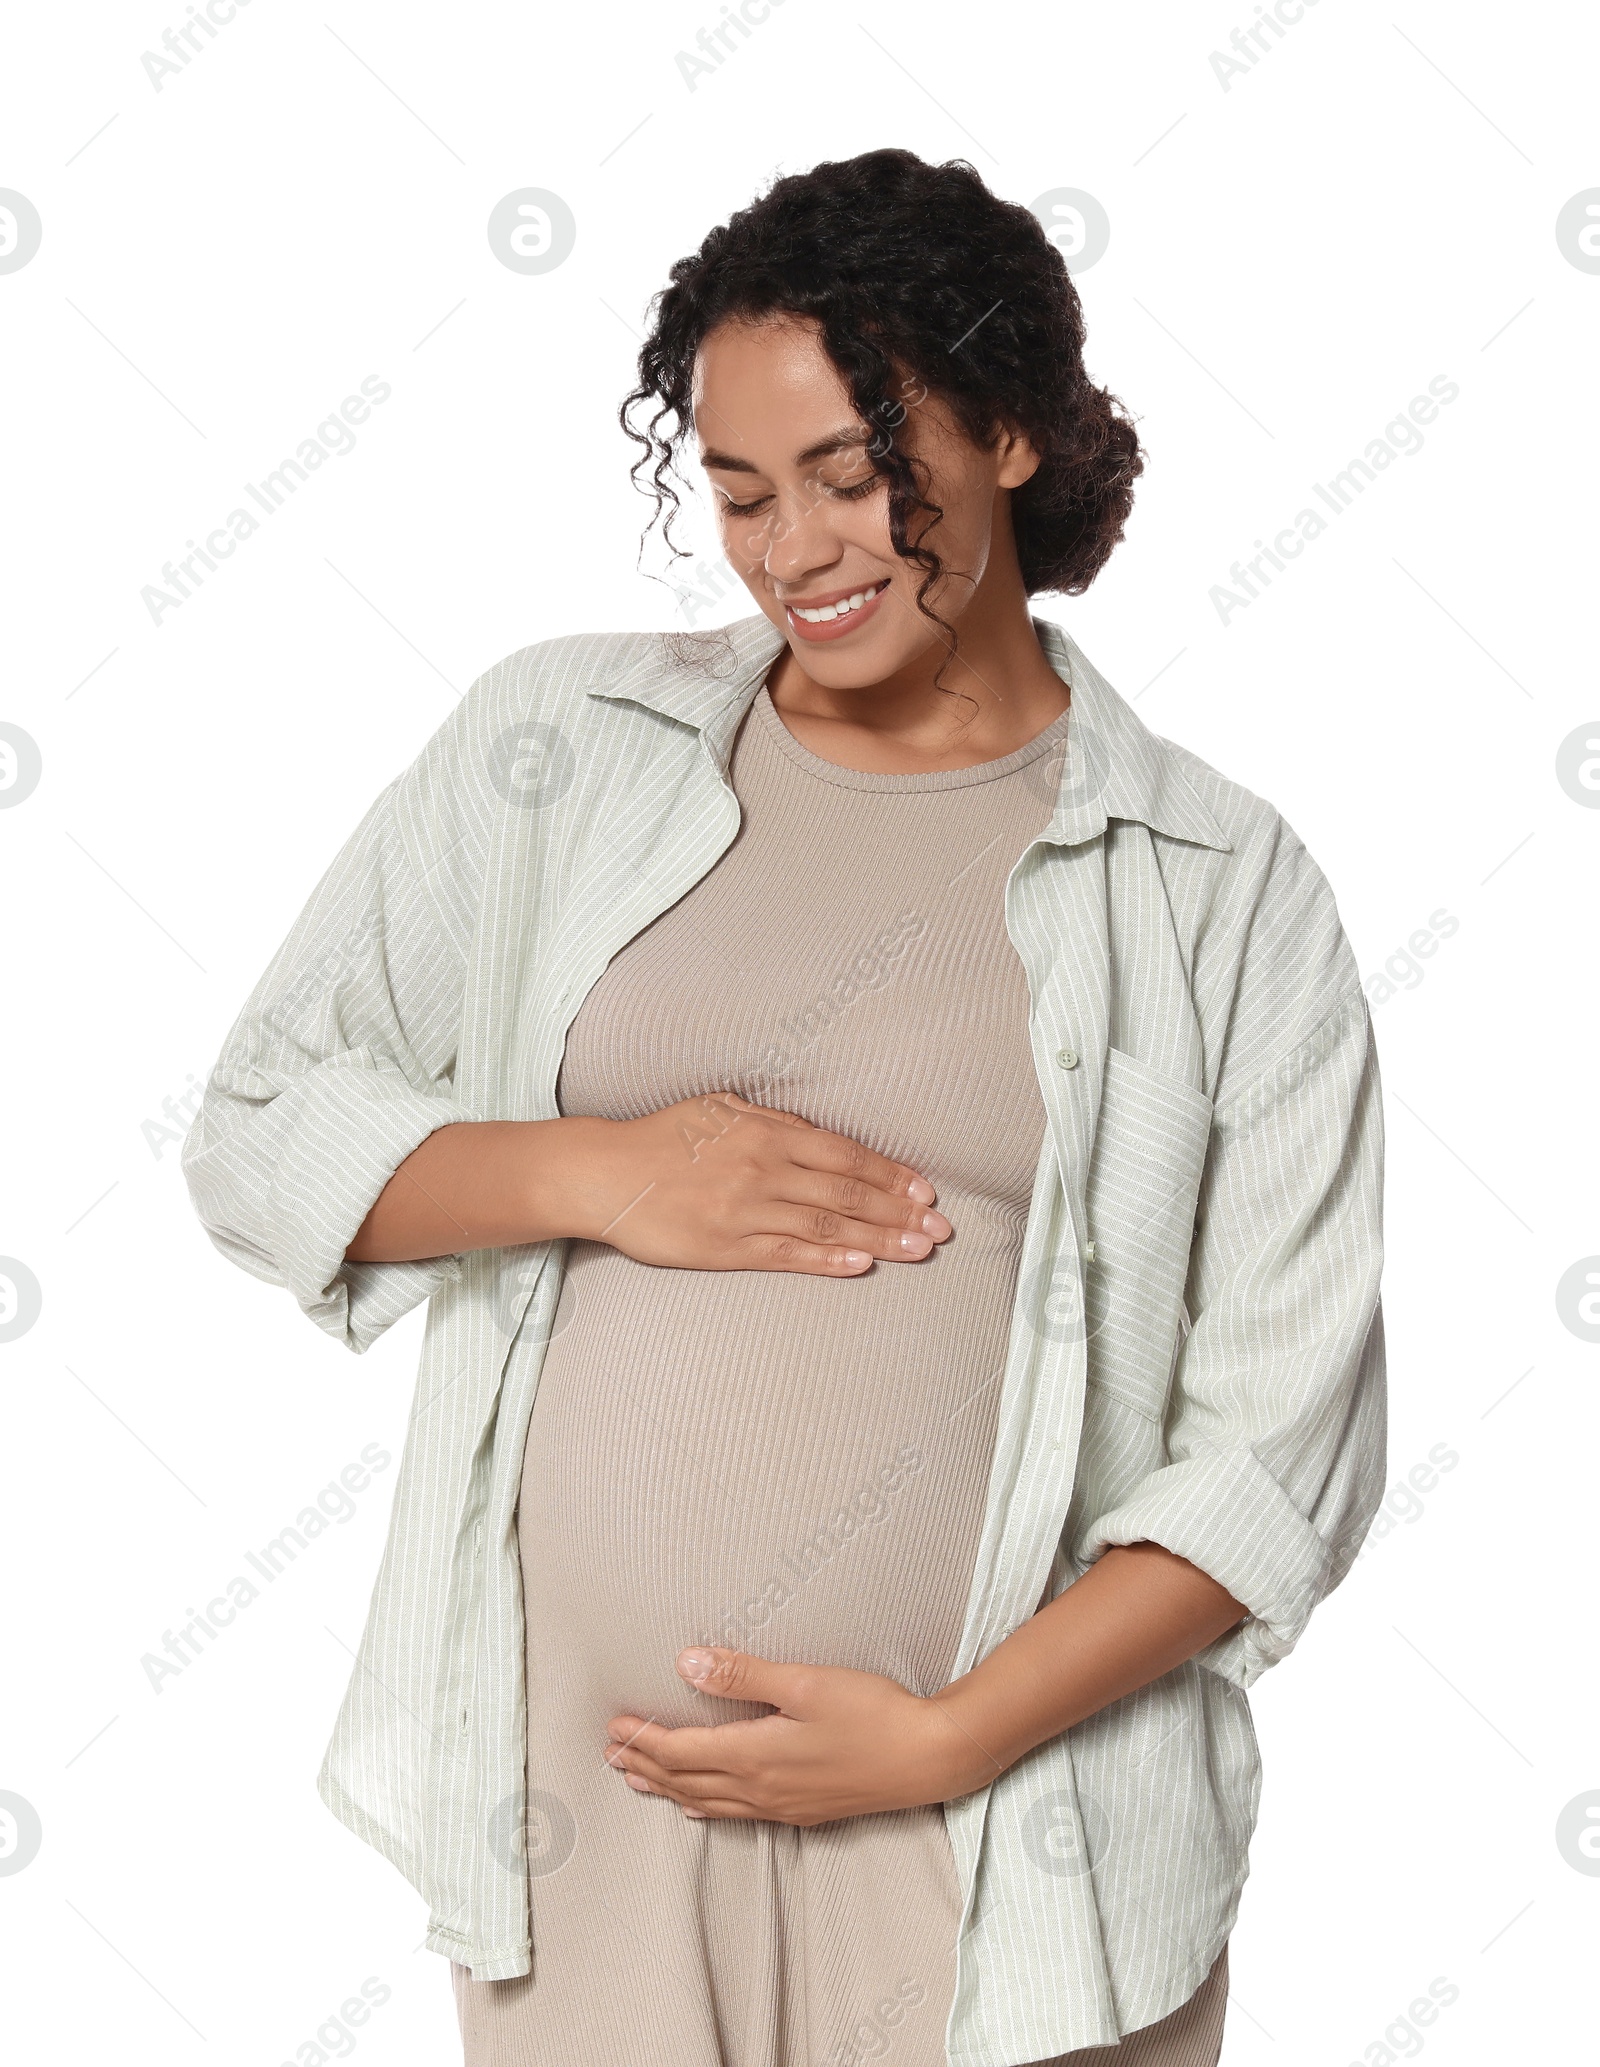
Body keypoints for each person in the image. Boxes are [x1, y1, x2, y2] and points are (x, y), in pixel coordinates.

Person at [182, 148, 1386, 2067]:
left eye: (854, 476)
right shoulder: (558, 748)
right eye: (740, 493)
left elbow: (1280, 1446)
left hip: (1024, 1857)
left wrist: (942, 1737)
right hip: (595, 1837)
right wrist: (607, 1174)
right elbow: (259, 1127)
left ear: (1007, 433)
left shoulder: (1217, 887)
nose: (796, 548)